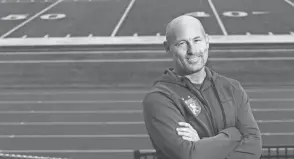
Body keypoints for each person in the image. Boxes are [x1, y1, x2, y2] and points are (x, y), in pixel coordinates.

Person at [142, 13, 262, 159]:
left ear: (207, 41)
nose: (192, 50)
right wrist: (234, 135)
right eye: (182, 43)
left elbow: (254, 146)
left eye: (197, 40)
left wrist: (201, 143)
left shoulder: (231, 88)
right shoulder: (159, 98)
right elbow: (187, 155)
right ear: (167, 47)